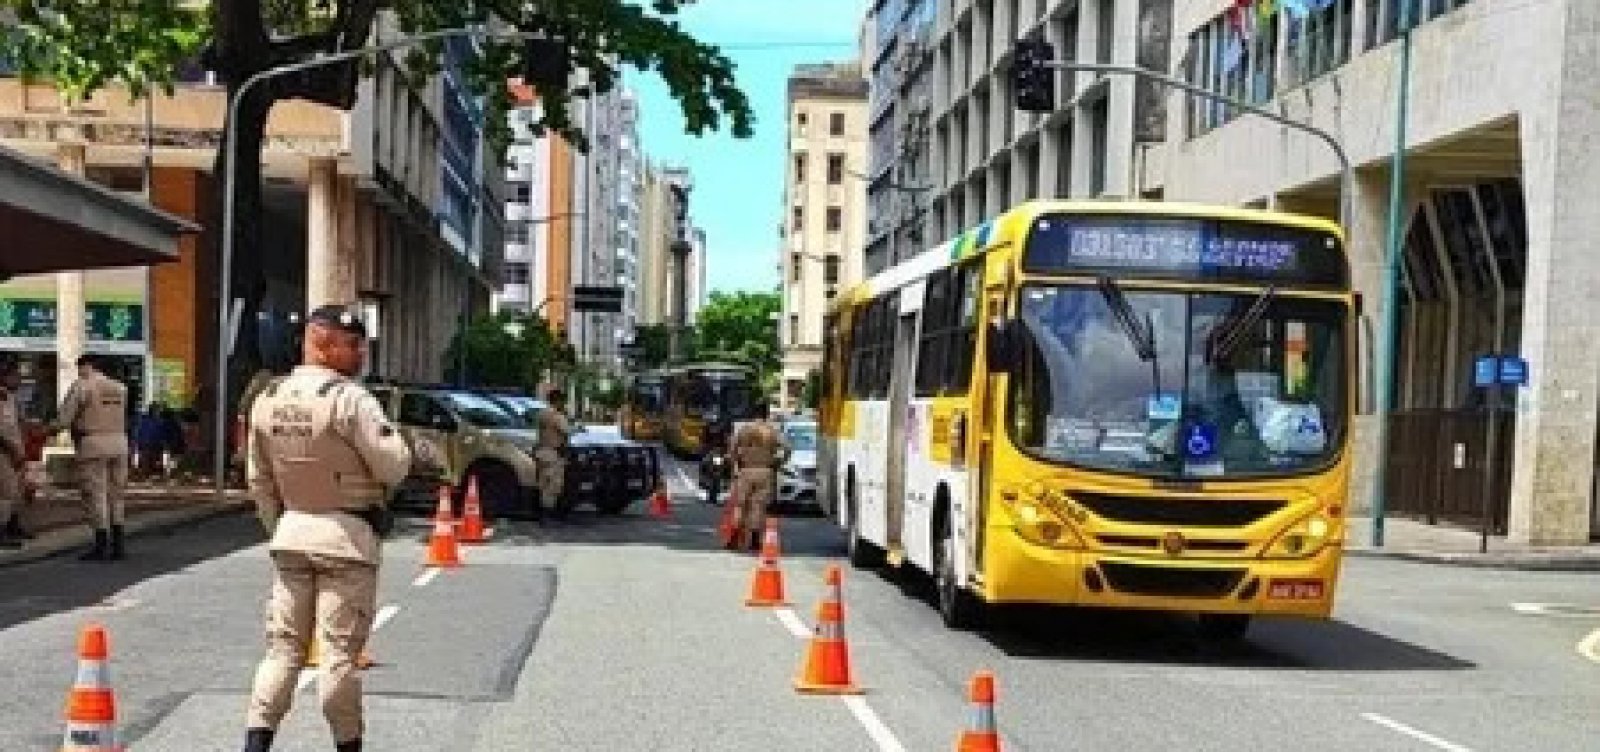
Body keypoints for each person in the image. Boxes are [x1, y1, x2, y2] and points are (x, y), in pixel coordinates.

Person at [241, 305, 410, 752]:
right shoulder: (350, 399)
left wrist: (280, 527)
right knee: (338, 657)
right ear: (320, 343)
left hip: (292, 535)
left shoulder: (268, 398)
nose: (361, 354)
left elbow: (258, 480)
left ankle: (255, 743)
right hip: (347, 540)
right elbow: (393, 467)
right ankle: (347, 745)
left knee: (283, 651)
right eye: (351, 345)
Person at [53, 355, 130, 562]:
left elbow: (64, 419)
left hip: (93, 444)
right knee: (117, 495)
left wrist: (49, 428)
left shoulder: (83, 386)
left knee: (96, 494)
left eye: (80, 367)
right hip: (120, 443)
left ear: (88, 366)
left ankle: (101, 544)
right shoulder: (120, 388)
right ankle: (119, 545)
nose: (79, 372)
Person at [728, 400, 789, 552]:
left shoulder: (744, 430)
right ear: (767, 414)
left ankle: (735, 536)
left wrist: (736, 465)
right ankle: (755, 539)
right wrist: (779, 462)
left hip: (745, 471)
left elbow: (732, 450)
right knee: (758, 506)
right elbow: (787, 448)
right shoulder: (772, 431)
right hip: (765, 472)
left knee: (741, 505)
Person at [535, 388, 572, 521]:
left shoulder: (541, 413)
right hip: (554, 454)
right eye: (562, 401)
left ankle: (541, 512)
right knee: (553, 485)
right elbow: (567, 432)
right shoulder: (557, 416)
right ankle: (547, 514)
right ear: (557, 401)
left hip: (542, 452)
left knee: (542, 483)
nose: (563, 404)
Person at [0, 360, 26, 549]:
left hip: (15, 452)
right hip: (4, 452)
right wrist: (12, 450)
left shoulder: (10, 397)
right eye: (15, 376)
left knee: (17, 492)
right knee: (5, 493)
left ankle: (12, 526)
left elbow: (17, 424)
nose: (19, 380)